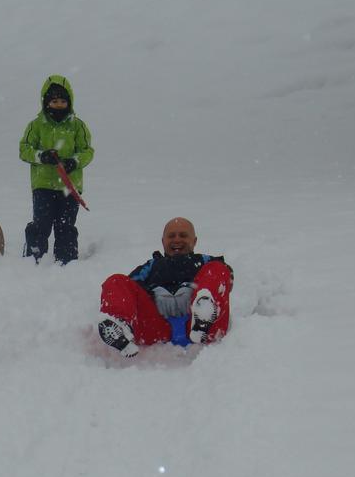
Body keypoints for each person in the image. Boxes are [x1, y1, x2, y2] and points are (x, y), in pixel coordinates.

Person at [98, 217, 233, 357]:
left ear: (194, 241)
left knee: (218, 269)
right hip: (156, 326)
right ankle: (120, 327)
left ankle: (204, 314)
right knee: (116, 281)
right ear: (163, 241)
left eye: (183, 235)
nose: (177, 239)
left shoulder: (205, 262)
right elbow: (128, 287)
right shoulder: (152, 265)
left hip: (201, 325)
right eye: (171, 236)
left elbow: (224, 278)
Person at [18, 74, 94, 264]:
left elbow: (87, 151)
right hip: (43, 185)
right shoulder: (36, 126)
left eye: (62, 101)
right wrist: (41, 156)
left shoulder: (77, 126)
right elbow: (24, 149)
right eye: (54, 101)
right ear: (46, 102)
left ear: (69, 102)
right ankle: (34, 257)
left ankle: (66, 259)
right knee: (41, 223)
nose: (58, 105)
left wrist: (73, 162)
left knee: (65, 225)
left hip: (69, 186)